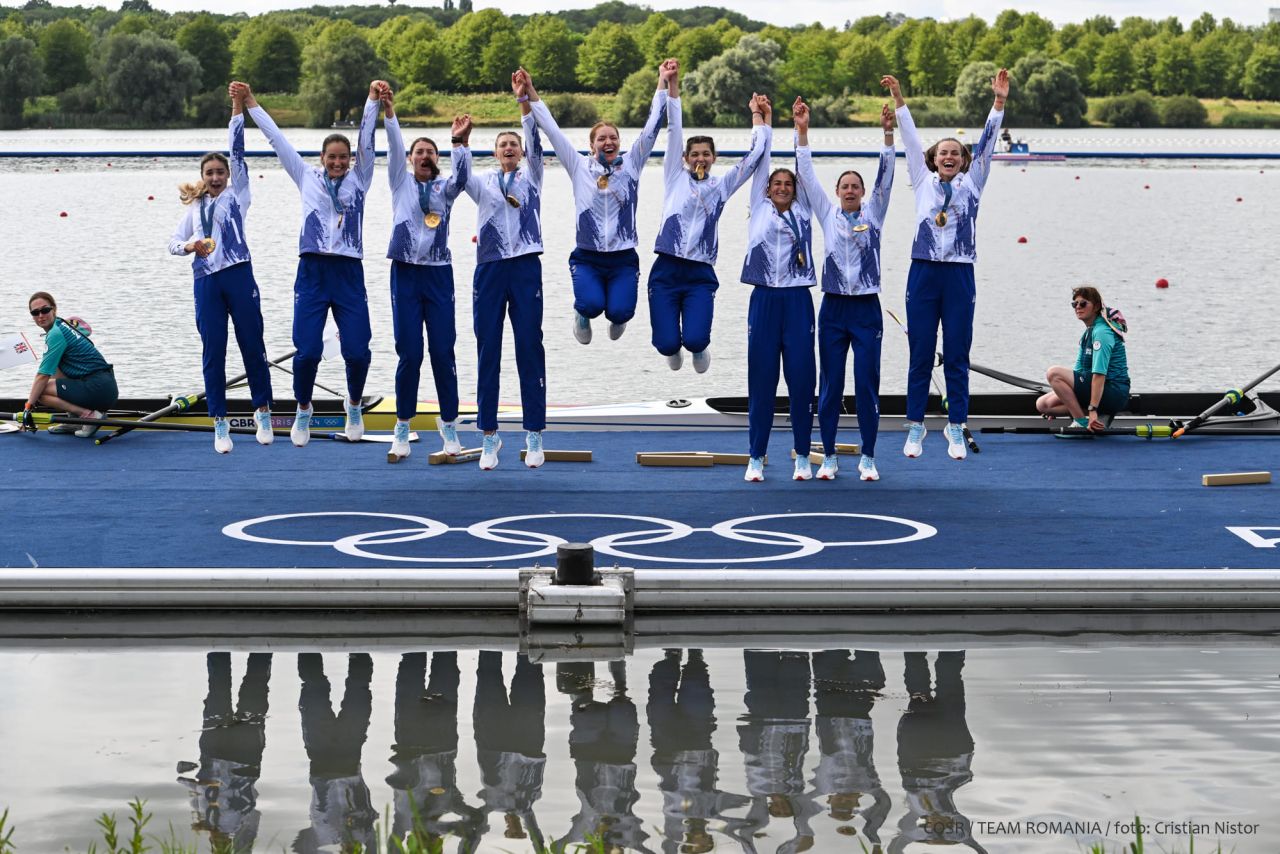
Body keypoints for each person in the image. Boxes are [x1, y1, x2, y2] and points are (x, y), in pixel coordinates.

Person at [239, 79, 382, 447]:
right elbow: (276, 140)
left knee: (358, 350)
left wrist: (371, 101)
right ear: (321, 159)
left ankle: (353, 404)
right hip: (313, 273)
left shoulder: (360, 180)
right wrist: (251, 101)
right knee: (307, 351)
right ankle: (304, 408)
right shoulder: (306, 177)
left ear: (351, 160)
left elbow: (368, 141)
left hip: (348, 273)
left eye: (343, 157)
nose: (337, 163)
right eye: (331, 157)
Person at [885, 69, 1008, 462]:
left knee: (956, 352)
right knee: (921, 351)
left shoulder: (973, 183)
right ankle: (917, 426)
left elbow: (988, 144)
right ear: (933, 161)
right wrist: (900, 97)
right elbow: (909, 137)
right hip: (923, 272)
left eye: (956, 153)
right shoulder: (922, 181)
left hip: (958, 273)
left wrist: (999, 104)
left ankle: (955, 426)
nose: (950, 157)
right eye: (943, 153)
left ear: (964, 160)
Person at [525, 61, 671, 346]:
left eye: (613, 137)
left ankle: (619, 315)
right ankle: (581, 314)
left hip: (623, 257)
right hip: (588, 256)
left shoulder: (631, 164)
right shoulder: (578, 165)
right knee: (592, 305)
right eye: (601, 138)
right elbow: (552, 130)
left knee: (620, 311)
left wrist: (662, 82)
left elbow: (652, 127)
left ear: (620, 143)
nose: (608, 141)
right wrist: (530, 91)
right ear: (591, 146)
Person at [794, 96, 896, 483]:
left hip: (867, 308)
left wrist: (888, 134)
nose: (850, 190)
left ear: (863, 192)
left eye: (856, 186)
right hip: (833, 308)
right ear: (837, 192)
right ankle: (831, 455)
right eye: (845, 186)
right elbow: (806, 173)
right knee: (830, 386)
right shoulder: (826, 212)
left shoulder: (875, 213)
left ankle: (868, 457)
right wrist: (802, 131)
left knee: (867, 384)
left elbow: (886, 175)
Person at [168, 85, 273, 454]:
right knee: (214, 351)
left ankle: (262, 410)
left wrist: (237, 104)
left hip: (238, 275)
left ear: (229, 176)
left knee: (251, 344)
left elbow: (238, 148)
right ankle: (219, 421)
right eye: (209, 173)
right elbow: (171, 245)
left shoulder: (238, 196)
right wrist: (188, 246)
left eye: (220, 172)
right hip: (206, 282)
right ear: (202, 176)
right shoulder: (193, 210)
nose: (215, 177)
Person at [650, 62, 771, 373]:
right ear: (685, 159)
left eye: (706, 154)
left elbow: (754, 157)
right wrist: (671, 83)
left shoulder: (721, 186)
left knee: (695, 338)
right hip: (666, 268)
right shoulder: (674, 176)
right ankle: (671, 348)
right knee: (665, 344)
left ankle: (698, 346)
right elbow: (674, 129)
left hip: (700, 273)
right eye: (695, 154)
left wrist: (758, 116)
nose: (700, 158)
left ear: (714, 158)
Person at [380, 81, 473, 463]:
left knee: (442, 350)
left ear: (436, 159)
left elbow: (464, 177)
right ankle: (402, 426)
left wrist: (459, 143)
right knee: (410, 352)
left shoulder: (445, 189)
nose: (423, 156)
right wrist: (389, 113)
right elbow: (393, 144)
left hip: (437, 274)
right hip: (404, 272)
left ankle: (448, 424)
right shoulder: (399, 182)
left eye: (429, 152)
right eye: (418, 151)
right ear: (409, 158)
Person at [463, 70, 548, 471]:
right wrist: (460, 142)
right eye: (503, 145)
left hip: (526, 266)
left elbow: (534, 138)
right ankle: (489, 435)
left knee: (530, 347)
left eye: (513, 143)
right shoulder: (482, 183)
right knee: (488, 351)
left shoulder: (533, 176)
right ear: (495, 154)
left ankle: (533, 434)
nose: (510, 147)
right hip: (491, 270)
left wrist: (523, 102)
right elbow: (460, 177)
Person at [738, 93, 818, 484]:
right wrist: (761, 119)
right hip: (764, 299)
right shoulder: (760, 202)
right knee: (762, 381)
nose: (783, 187)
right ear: (767, 190)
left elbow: (803, 166)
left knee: (802, 380)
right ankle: (757, 455)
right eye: (777, 184)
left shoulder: (804, 207)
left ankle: (802, 455)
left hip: (798, 300)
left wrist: (801, 129)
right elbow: (759, 160)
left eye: (788, 184)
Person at [1035, 286, 1131, 433]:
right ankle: (1097, 417)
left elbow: (1099, 374)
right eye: (1075, 304)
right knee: (1044, 405)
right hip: (1097, 386)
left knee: (1053, 373)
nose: (1078, 307)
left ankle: (1081, 421)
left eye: (1083, 303)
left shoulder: (1102, 332)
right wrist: (1063, 397)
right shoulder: (1088, 332)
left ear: (1096, 306)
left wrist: (1092, 408)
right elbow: (1078, 370)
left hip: (1113, 390)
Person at [23, 292, 118, 438]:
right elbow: (52, 372)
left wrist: (28, 406)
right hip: (106, 386)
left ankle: (89, 416)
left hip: (98, 388)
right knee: (55, 370)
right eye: (35, 312)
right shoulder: (62, 324)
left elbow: (42, 376)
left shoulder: (55, 334)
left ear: (54, 309)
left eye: (45, 310)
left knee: (40, 393)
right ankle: (75, 421)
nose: (40, 315)